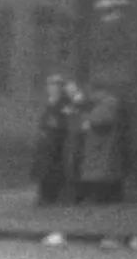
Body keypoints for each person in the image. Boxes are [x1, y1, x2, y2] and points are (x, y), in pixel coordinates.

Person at [73, 80, 127, 204]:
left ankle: (102, 197)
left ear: (99, 92)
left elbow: (101, 121)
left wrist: (87, 120)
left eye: (91, 93)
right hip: (99, 142)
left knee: (101, 172)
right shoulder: (105, 104)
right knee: (101, 170)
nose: (90, 96)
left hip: (102, 143)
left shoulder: (108, 103)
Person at [33, 74, 75, 205]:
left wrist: (56, 124)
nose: (51, 88)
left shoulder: (64, 102)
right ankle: (44, 195)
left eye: (55, 86)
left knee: (55, 169)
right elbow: (44, 120)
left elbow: (67, 120)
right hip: (46, 141)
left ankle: (53, 196)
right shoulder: (49, 102)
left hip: (58, 141)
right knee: (44, 168)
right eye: (50, 85)